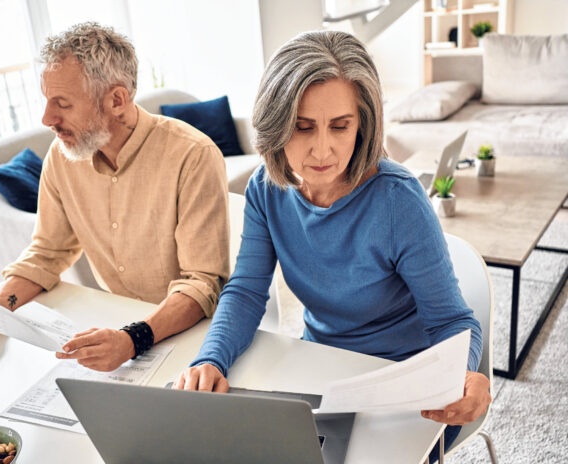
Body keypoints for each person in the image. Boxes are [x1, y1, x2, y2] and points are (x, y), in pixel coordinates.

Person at [173, 31, 491, 462]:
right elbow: (247, 292)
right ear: (276, 122)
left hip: (404, 383)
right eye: (302, 127)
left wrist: (467, 374)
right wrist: (211, 359)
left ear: (363, 123)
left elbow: (452, 320)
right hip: (321, 369)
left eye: (340, 126)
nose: (322, 149)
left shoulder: (398, 200)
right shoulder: (266, 190)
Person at [0, 22, 229, 372]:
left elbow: (202, 283)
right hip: (116, 331)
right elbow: (47, 252)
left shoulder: (193, 155)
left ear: (117, 100)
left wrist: (132, 338)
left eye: (62, 104)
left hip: (188, 335)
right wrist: (0, 303)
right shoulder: (62, 158)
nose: (47, 118)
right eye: (47, 101)